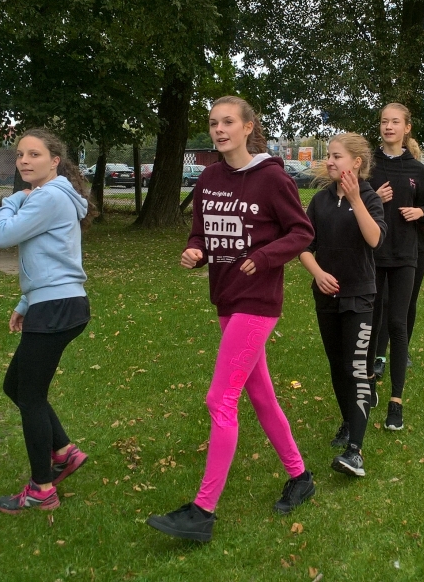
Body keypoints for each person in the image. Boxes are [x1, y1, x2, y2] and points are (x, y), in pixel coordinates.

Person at [146, 96, 315, 543]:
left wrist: (265, 257)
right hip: (225, 297)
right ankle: (300, 476)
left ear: (247, 128)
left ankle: (203, 510)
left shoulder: (272, 178)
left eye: (227, 122)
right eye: (212, 123)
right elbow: (200, 232)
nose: (219, 130)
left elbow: (302, 232)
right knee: (260, 395)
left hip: (258, 301)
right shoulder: (209, 178)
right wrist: (195, 252)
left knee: (220, 399)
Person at [0, 128, 95, 514]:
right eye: (20, 154)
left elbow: (2, 236)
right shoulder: (53, 195)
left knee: (30, 396)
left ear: (54, 161)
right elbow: (50, 255)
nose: (24, 161)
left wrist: (12, 199)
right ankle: (64, 452)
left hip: (57, 307)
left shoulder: (48, 196)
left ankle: (42, 489)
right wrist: (25, 301)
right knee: (15, 386)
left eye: (34, 154)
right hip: (54, 303)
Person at [299, 133, 386, 477]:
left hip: (359, 296)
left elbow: (375, 239)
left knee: (356, 368)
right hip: (326, 296)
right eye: (329, 156)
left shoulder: (369, 197)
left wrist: (356, 200)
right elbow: (305, 246)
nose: (330, 162)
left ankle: (355, 452)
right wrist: (318, 273)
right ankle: (349, 422)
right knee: (337, 366)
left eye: (337, 156)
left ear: (356, 162)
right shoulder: (320, 201)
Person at [366, 103, 424, 431]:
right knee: (371, 321)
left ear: (407, 128)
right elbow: (352, 204)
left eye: (395, 122)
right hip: (373, 255)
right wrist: (373, 198)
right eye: (384, 121)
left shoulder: (417, 170)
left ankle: (396, 402)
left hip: (406, 256)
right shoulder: (369, 165)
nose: (388, 127)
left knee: (398, 323)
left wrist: (420, 213)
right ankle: (369, 385)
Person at [372, 171, 424, 377]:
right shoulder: (379, 174)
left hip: (417, 249)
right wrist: (376, 199)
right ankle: (379, 356)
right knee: (384, 301)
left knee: (408, 301)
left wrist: (420, 213)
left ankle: (402, 352)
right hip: (385, 248)